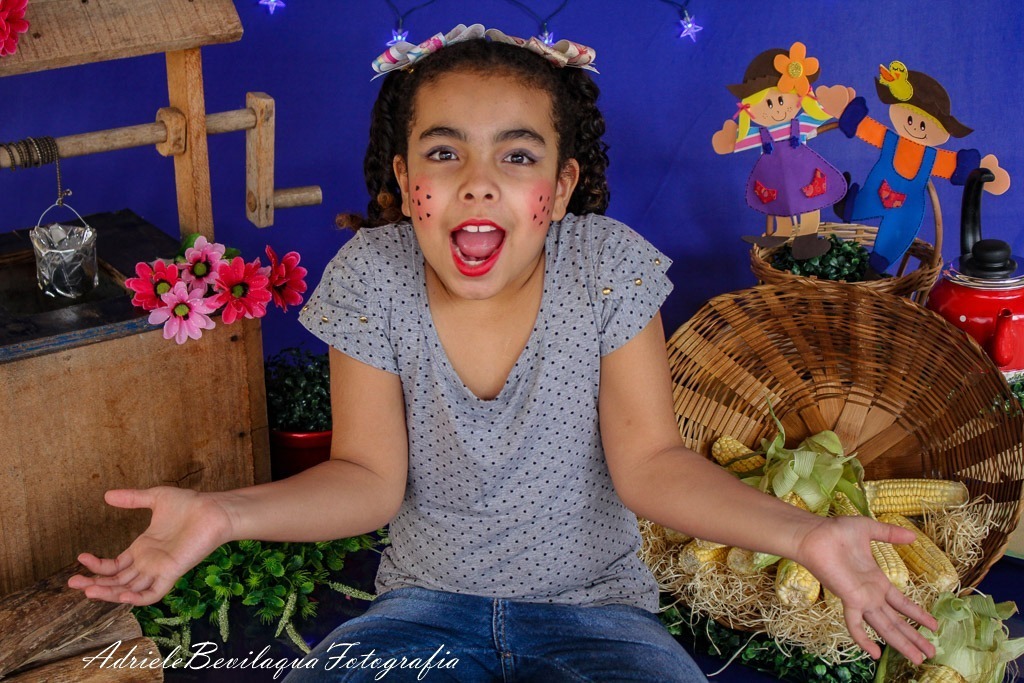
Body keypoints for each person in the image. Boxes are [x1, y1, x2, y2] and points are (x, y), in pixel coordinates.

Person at [69, 24, 939, 682]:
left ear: (559, 188)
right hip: (416, 619)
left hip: (602, 622)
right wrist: (226, 515)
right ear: (404, 179)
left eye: (516, 156)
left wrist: (804, 535)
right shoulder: (374, 275)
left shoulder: (605, 267)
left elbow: (653, 464)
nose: (477, 181)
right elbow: (366, 477)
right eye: (443, 151)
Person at [818, 61, 1010, 273]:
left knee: (897, 238)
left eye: (923, 125)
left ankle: (874, 268)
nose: (916, 128)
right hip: (876, 193)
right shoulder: (890, 139)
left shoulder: (931, 158)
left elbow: (956, 166)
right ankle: (846, 203)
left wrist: (981, 174)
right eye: (910, 119)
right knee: (855, 208)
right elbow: (865, 127)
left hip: (906, 209)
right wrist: (845, 111)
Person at [712, 42, 848, 259]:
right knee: (779, 203)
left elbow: (823, 114)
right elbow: (738, 142)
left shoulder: (800, 125)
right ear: (749, 107)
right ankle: (780, 234)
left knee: (810, 202)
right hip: (775, 177)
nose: (776, 109)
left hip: (805, 175)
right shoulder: (761, 134)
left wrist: (833, 105)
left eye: (781, 100)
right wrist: (729, 141)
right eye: (768, 103)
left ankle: (807, 238)